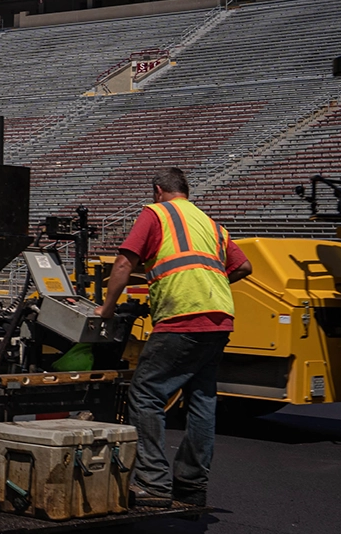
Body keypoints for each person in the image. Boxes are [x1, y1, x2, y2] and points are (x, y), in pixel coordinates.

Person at [98, 167, 252, 509]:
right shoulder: (211, 224)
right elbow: (243, 268)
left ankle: (152, 482)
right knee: (201, 399)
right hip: (220, 318)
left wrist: (106, 309)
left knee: (145, 393)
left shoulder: (156, 213)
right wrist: (209, 283)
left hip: (182, 316)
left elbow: (123, 263)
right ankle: (191, 485)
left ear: (157, 191)